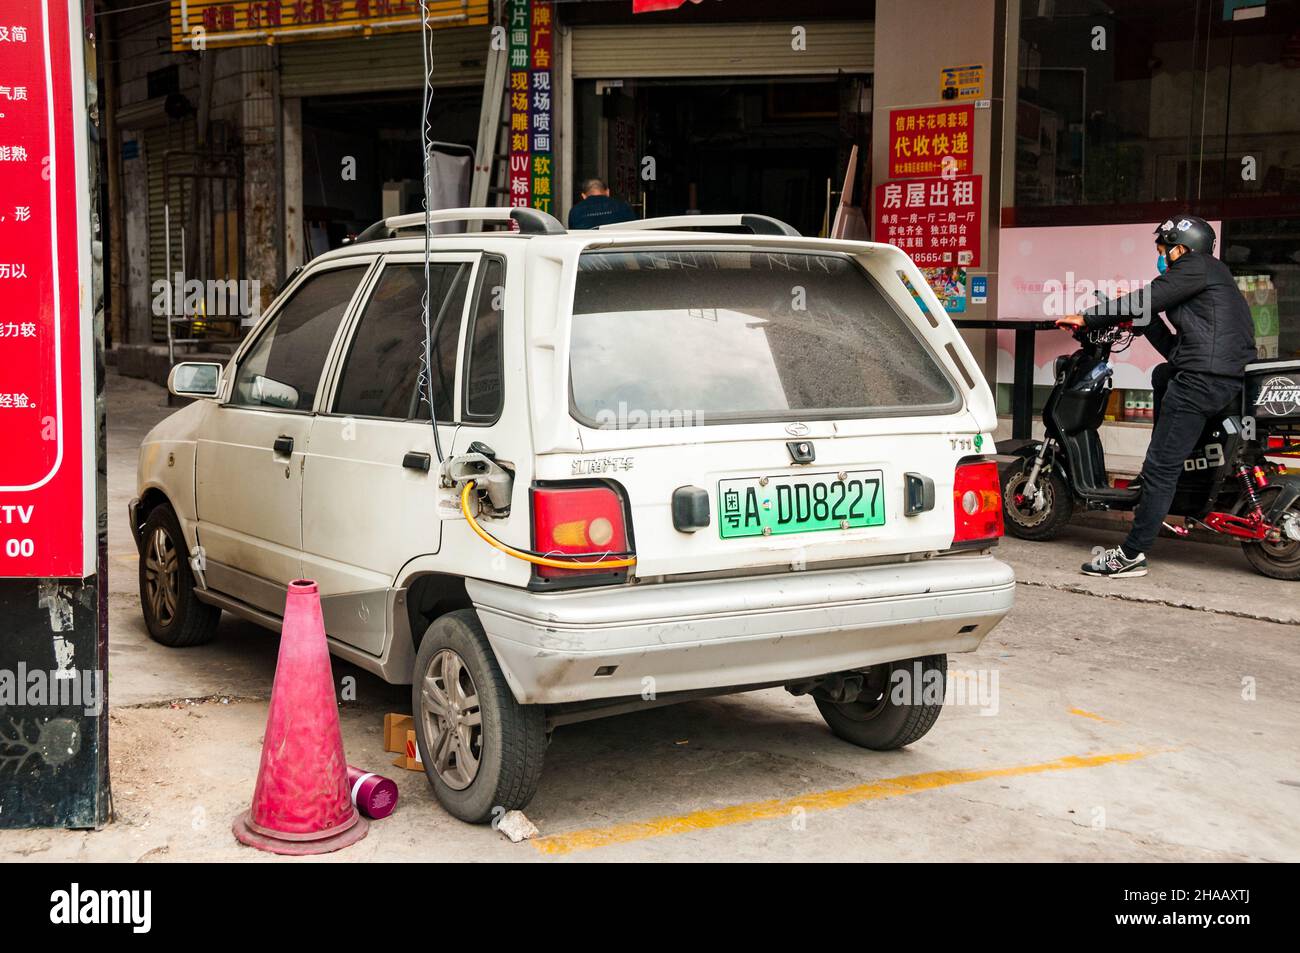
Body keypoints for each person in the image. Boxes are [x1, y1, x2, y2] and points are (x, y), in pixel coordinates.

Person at [1055, 215, 1257, 578]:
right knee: (1163, 376)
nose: (1161, 257)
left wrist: (1088, 318)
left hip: (1201, 382)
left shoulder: (1196, 266)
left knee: (1162, 467)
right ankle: (1158, 471)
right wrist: (1142, 319)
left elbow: (1149, 297)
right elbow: (1177, 350)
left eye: (1163, 249)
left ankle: (1131, 554)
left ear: (1181, 248)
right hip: (1213, 376)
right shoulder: (1210, 277)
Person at [567, 178, 636, 230]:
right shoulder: (622, 206)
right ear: (607, 192)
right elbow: (633, 228)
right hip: (617, 247)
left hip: (588, 247)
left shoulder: (575, 211)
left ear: (583, 196)